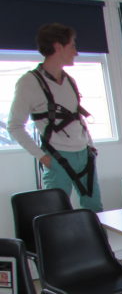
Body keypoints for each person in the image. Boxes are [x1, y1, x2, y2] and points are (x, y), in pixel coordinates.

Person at [8, 23, 102, 211]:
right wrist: (42, 157)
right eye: (73, 46)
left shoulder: (69, 81)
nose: (76, 52)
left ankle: (98, 241)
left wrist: (90, 146)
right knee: (57, 213)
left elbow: (77, 117)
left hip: (84, 154)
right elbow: (15, 125)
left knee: (95, 210)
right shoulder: (29, 83)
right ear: (58, 47)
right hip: (56, 157)